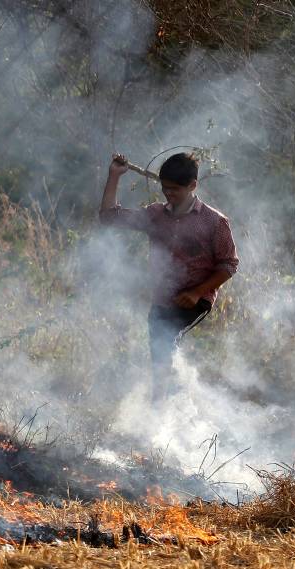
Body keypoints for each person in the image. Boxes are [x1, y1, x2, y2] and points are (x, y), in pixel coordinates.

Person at [99, 153, 239, 402]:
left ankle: (164, 406)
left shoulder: (214, 222)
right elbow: (109, 218)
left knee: (163, 342)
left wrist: (197, 292)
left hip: (195, 300)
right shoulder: (156, 215)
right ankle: (172, 400)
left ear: (192, 186)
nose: (168, 195)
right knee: (159, 351)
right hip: (162, 298)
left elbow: (229, 264)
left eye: (175, 190)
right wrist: (114, 175)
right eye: (165, 189)